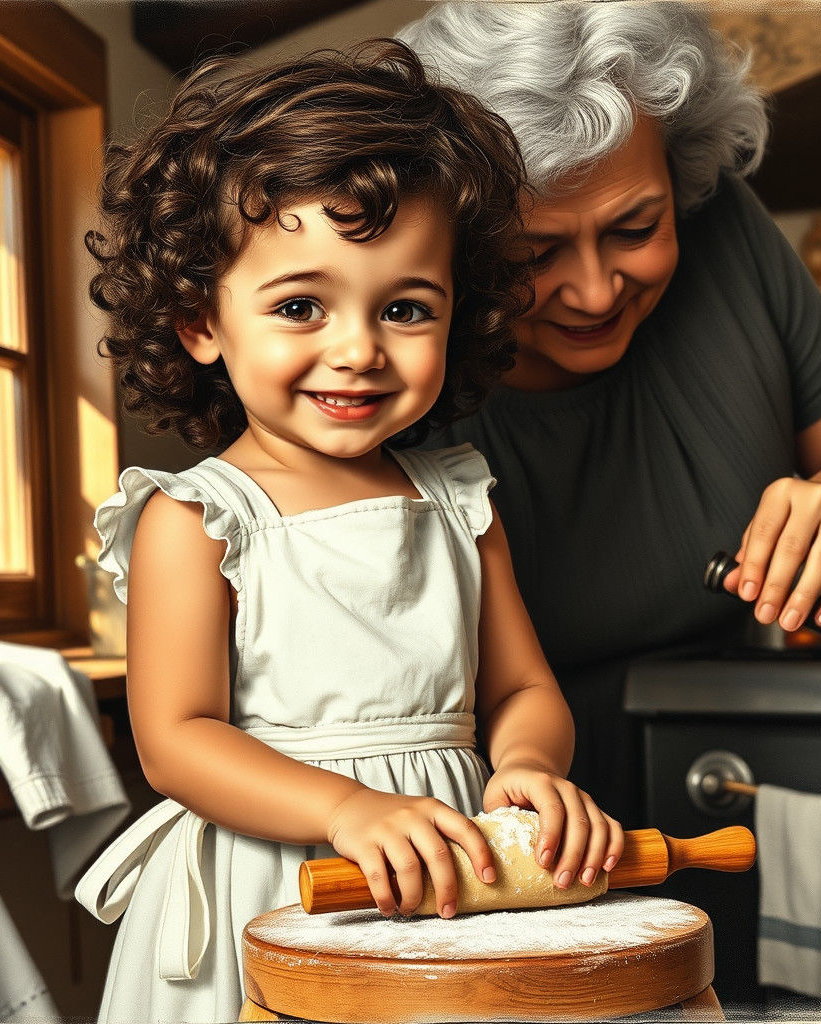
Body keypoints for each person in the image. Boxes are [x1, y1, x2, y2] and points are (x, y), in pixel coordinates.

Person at [73, 41, 623, 1023]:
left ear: (457, 316)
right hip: (276, 884)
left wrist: (529, 766)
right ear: (202, 318)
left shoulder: (456, 500)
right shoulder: (196, 517)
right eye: (299, 305)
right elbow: (175, 740)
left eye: (405, 307)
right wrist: (343, 810)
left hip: (449, 877)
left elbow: (523, 689)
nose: (359, 348)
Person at [399, 2, 821, 826]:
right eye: (532, 254)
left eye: (636, 227)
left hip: (731, 764)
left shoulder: (722, 224)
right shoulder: (386, 346)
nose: (595, 291)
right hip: (483, 814)